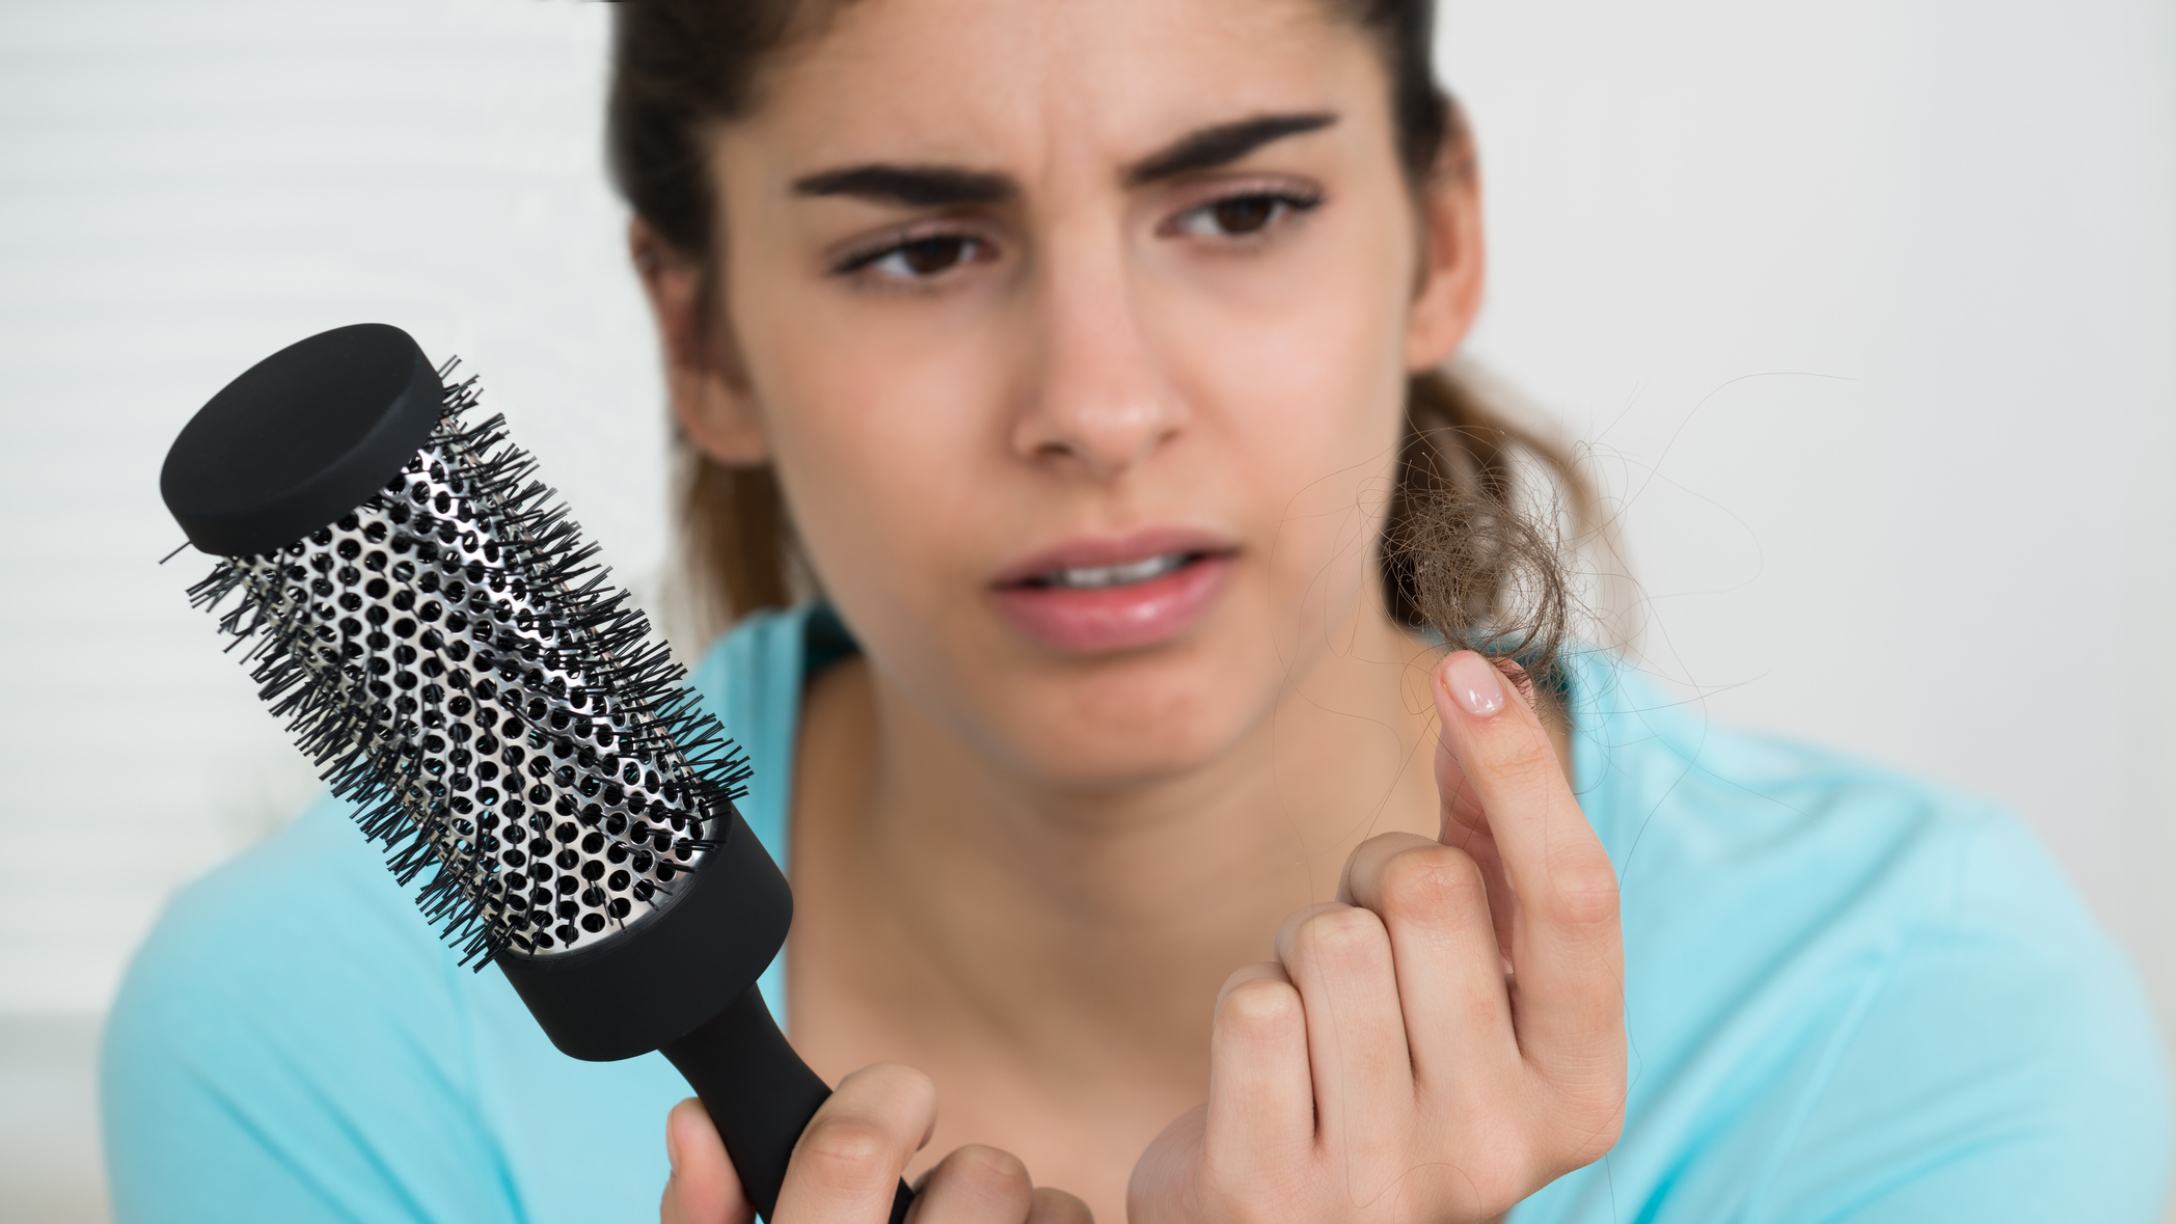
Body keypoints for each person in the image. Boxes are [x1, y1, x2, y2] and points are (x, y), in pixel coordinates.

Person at [102, 0, 2171, 1221]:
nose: (1096, 404)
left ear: (1437, 237)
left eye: (1238, 209)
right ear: (700, 337)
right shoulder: (323, 1045)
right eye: (918, 249)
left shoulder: (1911, 1017)